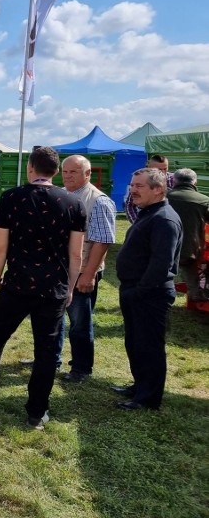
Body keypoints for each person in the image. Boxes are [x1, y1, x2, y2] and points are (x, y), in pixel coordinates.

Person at [0, 146, 85, 429]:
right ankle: (37, 412)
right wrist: (70, 287)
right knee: (46, 351)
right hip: (53, 288)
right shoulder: (73, 203)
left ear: (31, 168)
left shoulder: (11, 198)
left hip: (16, 284)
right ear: (55, 171)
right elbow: (76, 254)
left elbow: (0, 246)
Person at [114, 168, 182, 410]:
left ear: (158, 189)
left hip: (149, 294)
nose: (133, 190)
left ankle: (148, 398)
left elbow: (161, 263)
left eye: (139, 186)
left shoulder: (164, 218)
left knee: (149, 346)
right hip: (135, 291)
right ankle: (139, 385)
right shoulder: (149, 212)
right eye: (132, 185)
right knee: (135, 342)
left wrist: (139, 292)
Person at [58, 155, 117, 382]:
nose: (68, 175)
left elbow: (103, 241)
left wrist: (89, 274)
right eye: (65, 171)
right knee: (54, 318)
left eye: (74, 171)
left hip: (83, 271)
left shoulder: (99, 200)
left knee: (80, 323)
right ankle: (52, 358)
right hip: (62, 269)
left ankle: (81, 368)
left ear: (88, 173)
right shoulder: (63, 194)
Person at [167, 168, 209, 302]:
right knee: (191, 268)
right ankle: (195, 293)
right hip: (190, 249)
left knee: (161, 273)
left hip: (163, 247)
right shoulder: (204, 200)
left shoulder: (162, 196)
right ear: (194, 182)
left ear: (174, 180)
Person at [124, 155, 174, 223]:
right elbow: (130, 205)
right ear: (149, 168)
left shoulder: (174, 180)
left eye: (165, 169)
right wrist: (137, 224)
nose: (162, 172)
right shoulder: (141, 181)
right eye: (158, 169)